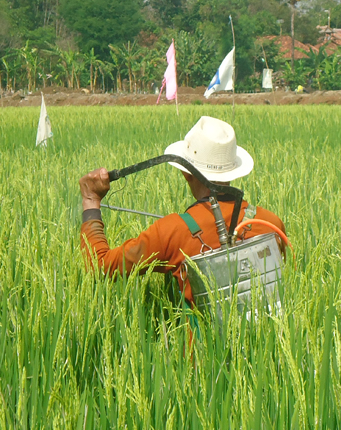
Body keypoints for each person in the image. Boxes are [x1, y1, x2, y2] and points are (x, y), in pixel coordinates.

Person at [79, 116, 286, 305]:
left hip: (201, 347)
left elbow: (101, 268)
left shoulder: (173, 231)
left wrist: (91, 201)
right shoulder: (269, 222)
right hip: (268, 343)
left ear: (185, 173)